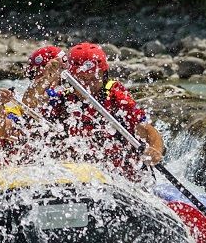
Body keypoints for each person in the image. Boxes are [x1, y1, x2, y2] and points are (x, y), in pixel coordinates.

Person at [26, 43, 164, 176]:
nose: (87, 84)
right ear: (71, 76)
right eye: (81, 79)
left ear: (103, 74)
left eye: (93, 78)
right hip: (83, 172)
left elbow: (146, 129)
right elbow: (29, 103)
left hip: (123, 174)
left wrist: (155, 150)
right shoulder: (64, 97)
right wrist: (46, 78)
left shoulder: (115, 95)